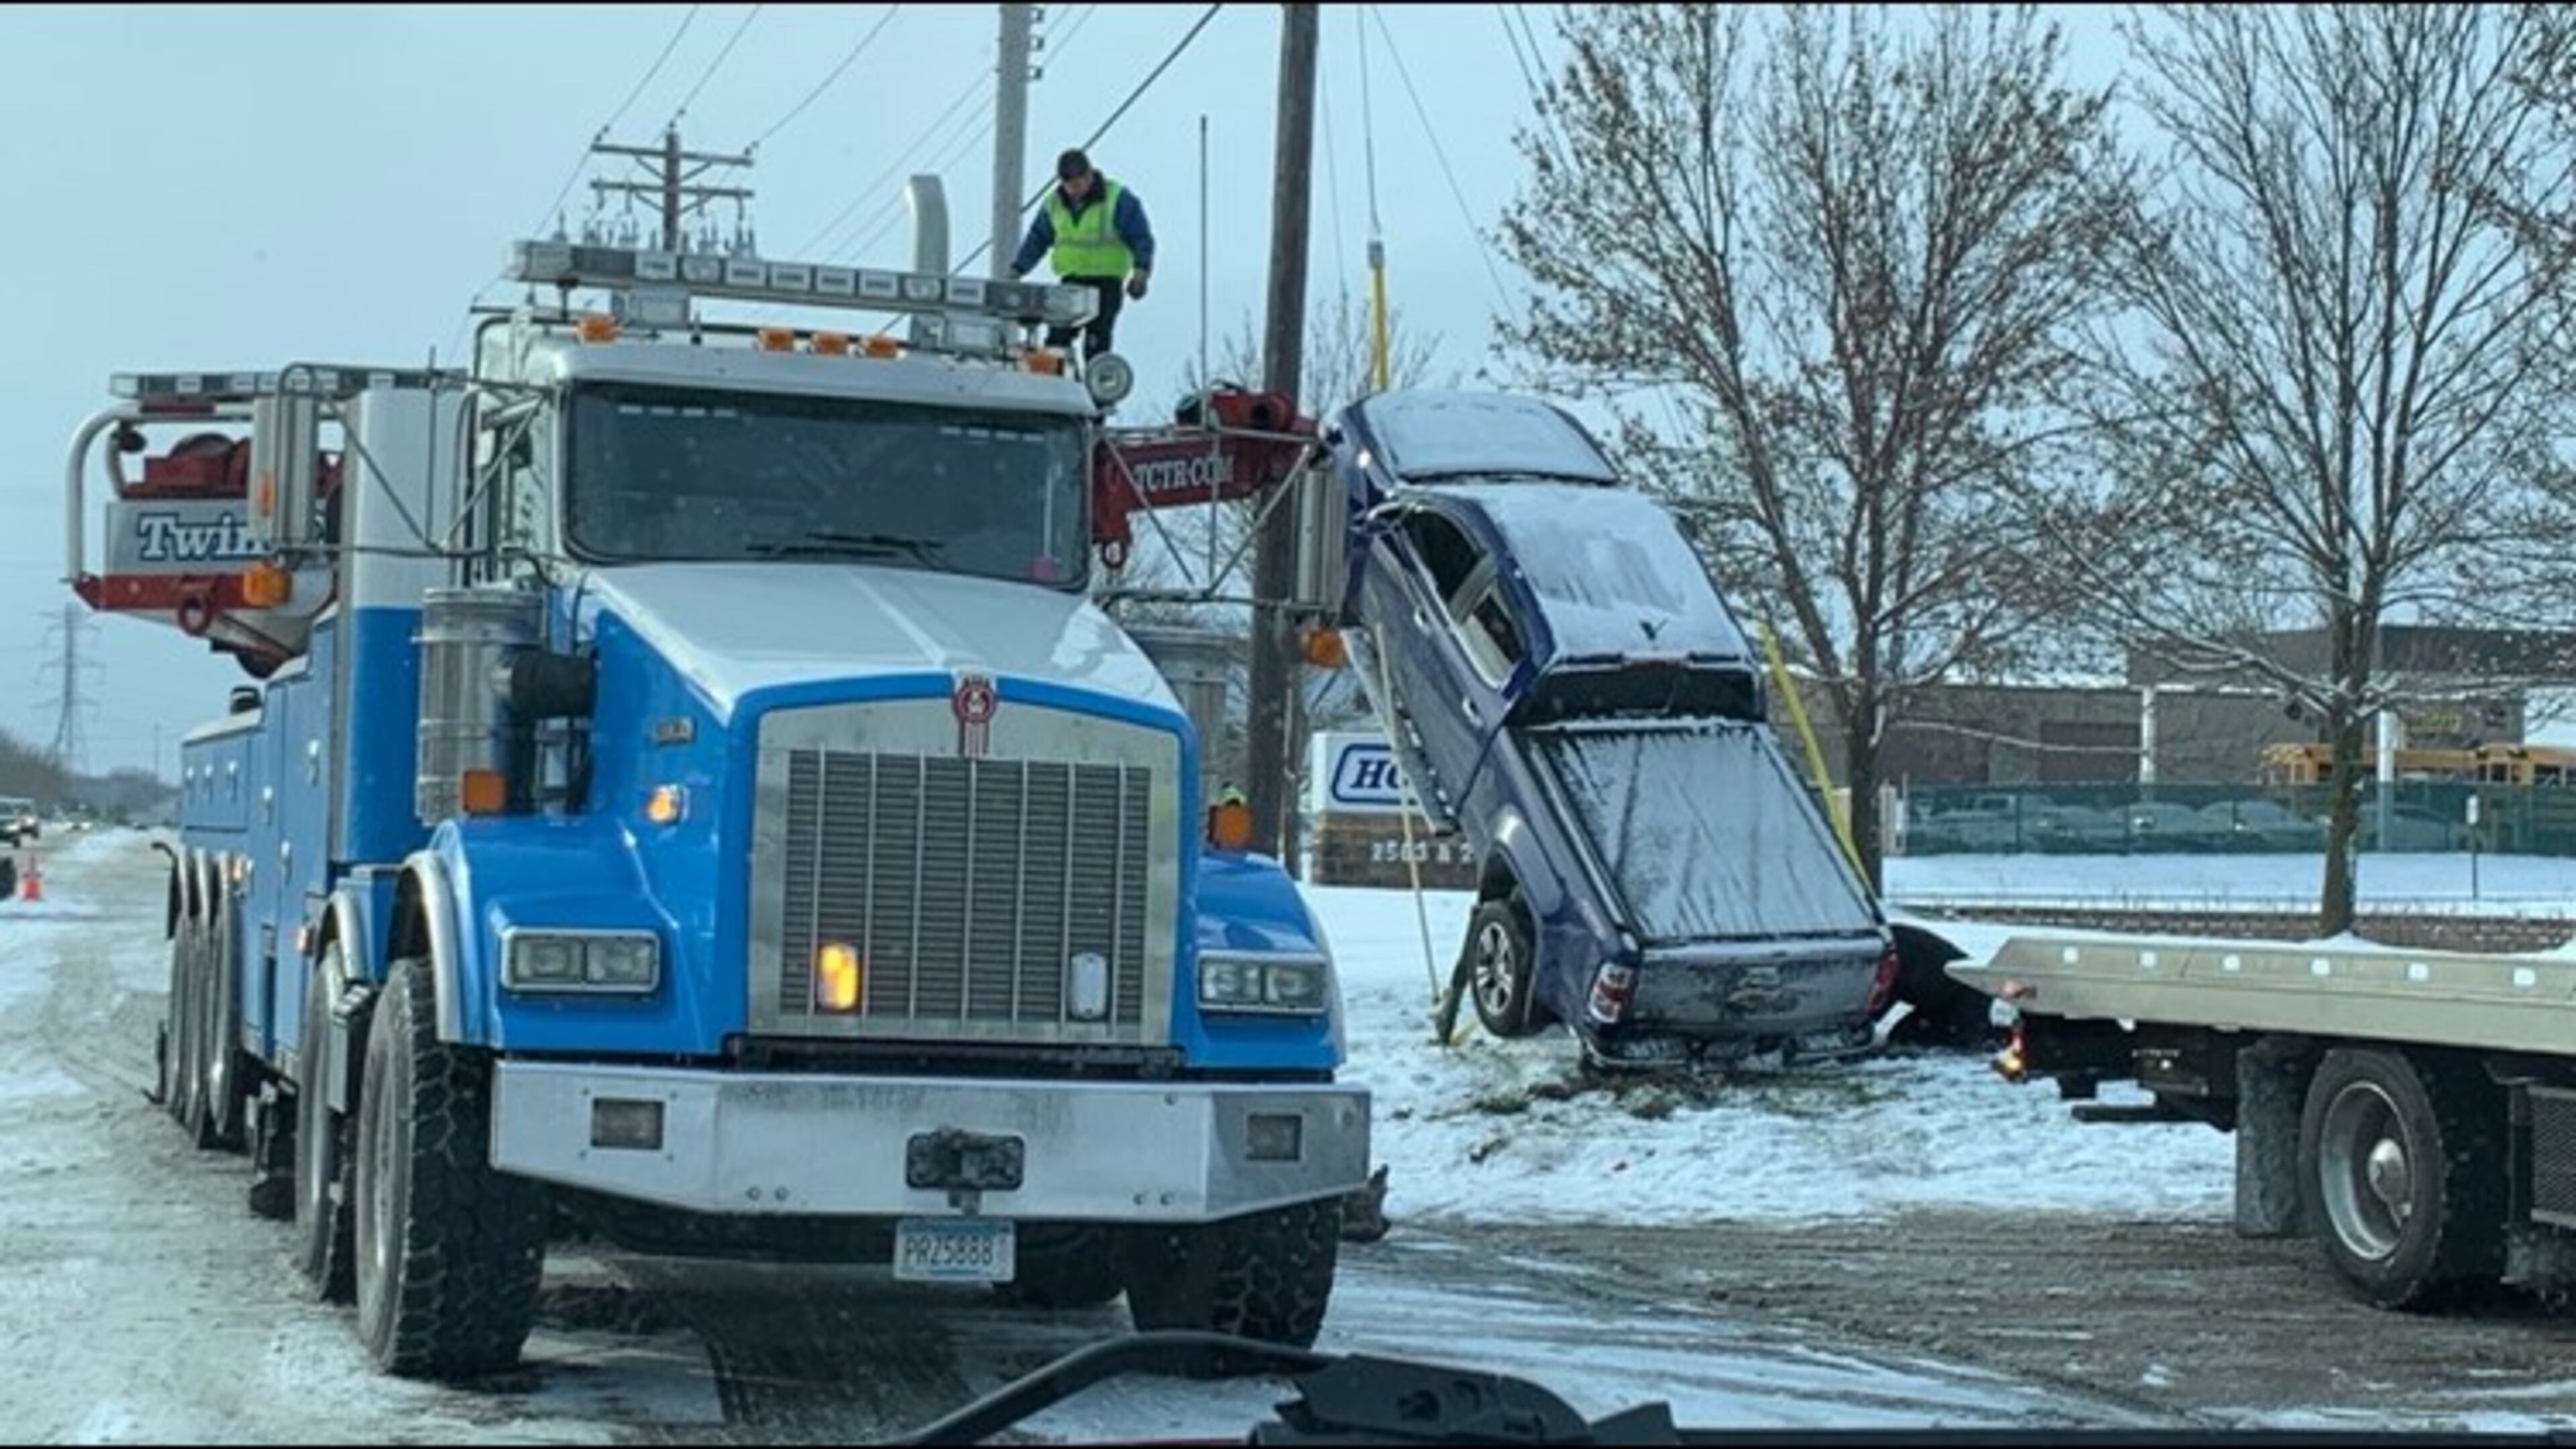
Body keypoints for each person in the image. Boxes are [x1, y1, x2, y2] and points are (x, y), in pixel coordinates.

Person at [1010, 148, 1154, 360]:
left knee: (1097, 340)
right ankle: (1056, 384)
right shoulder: (1054, 205)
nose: (1075, 190)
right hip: (1072, 281)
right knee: (1057, 340)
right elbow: (1038, 238)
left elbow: (1140, 237)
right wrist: (1018, 268)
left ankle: (1096, 385)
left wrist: (1141, 272)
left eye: (1079, 183)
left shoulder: (1117, 199)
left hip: (1106, 283)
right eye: (1069, 185)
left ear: (1089, 175)